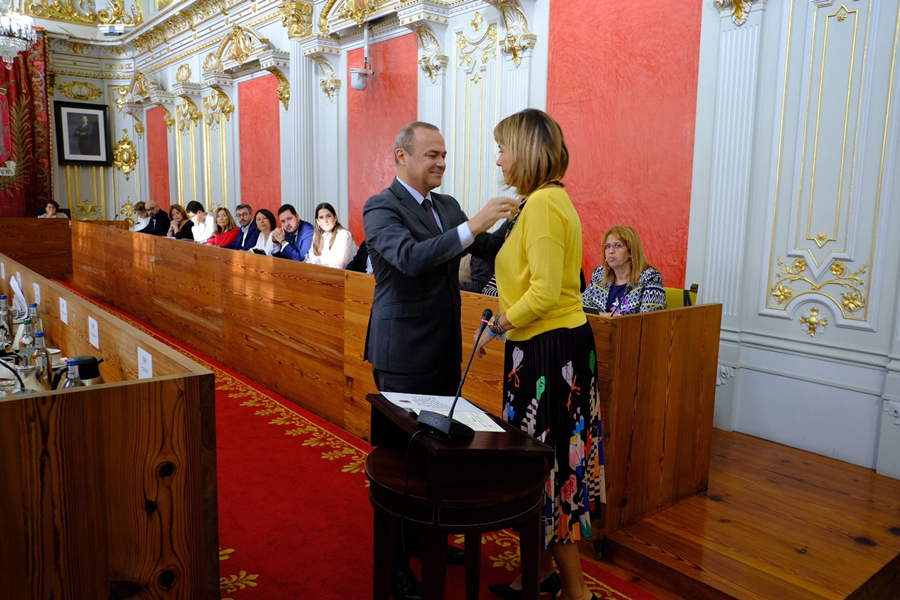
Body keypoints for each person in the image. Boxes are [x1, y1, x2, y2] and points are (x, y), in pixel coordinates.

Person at [363, 120, 519, 600]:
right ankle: (395, 567)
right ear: (401, 157)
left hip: (444, 348)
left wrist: (529, 229)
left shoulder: (447, 205)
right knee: (400, 462)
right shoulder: (379, 207)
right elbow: (410, 258)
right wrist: (474, 225)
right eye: (432, 155)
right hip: (402, 353)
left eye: (444, 155)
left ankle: (426, 539)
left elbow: (490, 247)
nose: (441, 163)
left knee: (435, 452)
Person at [473, 109, 602, 600]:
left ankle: (577, 593)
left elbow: (547, 294)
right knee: (541, 467)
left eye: (503, 148)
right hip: (543, 346)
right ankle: (542, 575)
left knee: (549, 473)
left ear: (525, 152)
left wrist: (498, 325)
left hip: (551, 352)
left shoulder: (545, 205)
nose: (499, 158)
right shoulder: (540, 202)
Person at [581, 225, 666, 315]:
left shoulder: (650, 278)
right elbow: (580, 308)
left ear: (631, 252)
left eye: (618, 246)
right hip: (599, 328)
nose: (611, 251)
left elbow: (647, 322)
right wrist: (605, 316)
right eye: (608, 246)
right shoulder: (600, 274)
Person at [306, 202, 356, 268]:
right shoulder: (318, 236)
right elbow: (310, 261)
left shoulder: (344, 234)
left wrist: (315, 267)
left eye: (328, 216)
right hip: (321, 275)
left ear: (335, 218)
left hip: (343, 276)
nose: (325, 220)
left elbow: (339, 266)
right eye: (321, 217)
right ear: (318, 221)